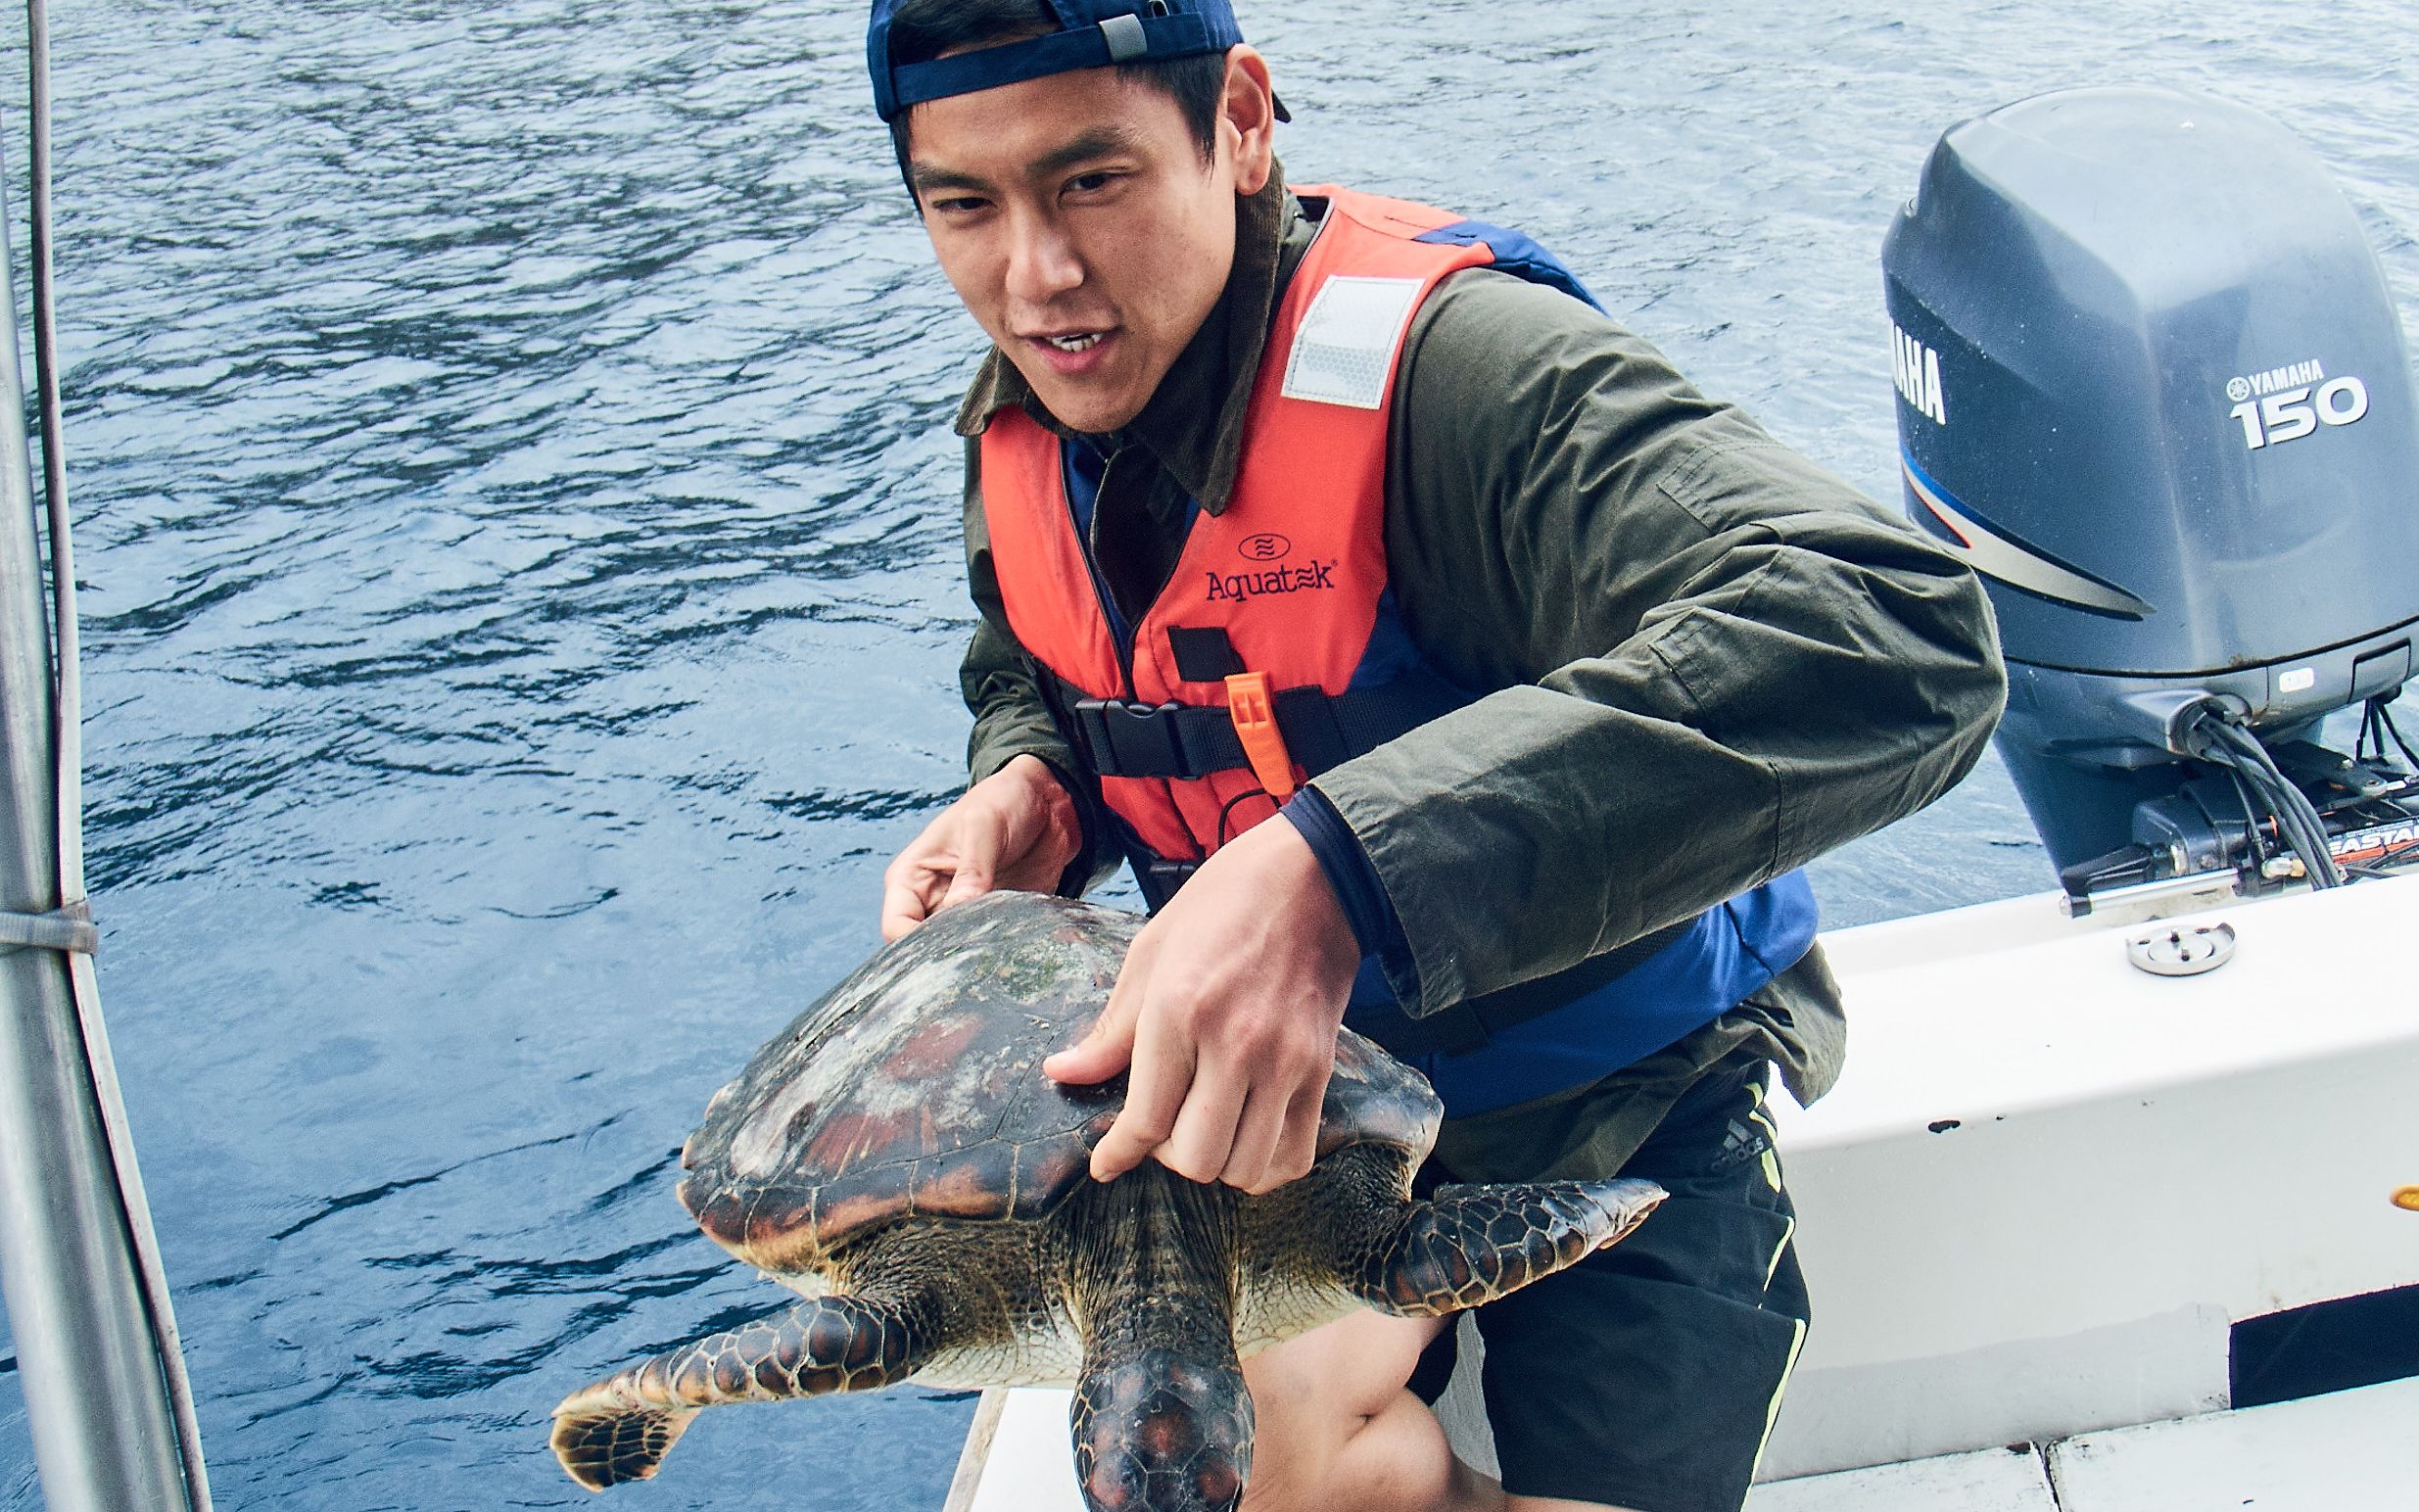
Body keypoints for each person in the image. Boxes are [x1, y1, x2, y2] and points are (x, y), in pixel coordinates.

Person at [867, 3, 2006, 1510]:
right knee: (1222, 1473)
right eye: (964, 204)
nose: (1037, 275)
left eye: (1093, 182)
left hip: (1619, 1083)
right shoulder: (1049, 389)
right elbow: (1040, 646)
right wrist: (1034, 779)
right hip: (1304, 1122)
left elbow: (1896, 630)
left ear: (1240, 121)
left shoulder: (1461, 379)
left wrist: (1339, 875)